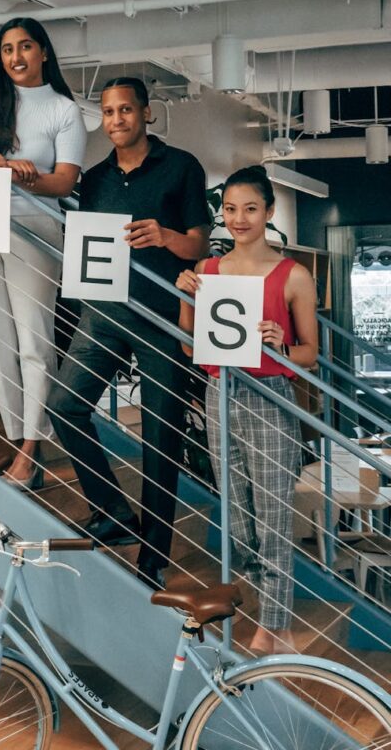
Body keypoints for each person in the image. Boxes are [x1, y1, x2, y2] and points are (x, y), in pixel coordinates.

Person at [47, 77, 210, 590]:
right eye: (110, 112)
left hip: (163, 317)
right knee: (63, 405)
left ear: (146, 114)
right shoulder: (93, 180)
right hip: (103, 313)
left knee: (160, 441)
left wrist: (165, 236)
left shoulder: (181, 167)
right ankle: (113, 510)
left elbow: (200, 245)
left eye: (126, 110)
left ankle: (155, 556)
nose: (117, 120)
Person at [176, 165, 317, 655]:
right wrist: (187, 295)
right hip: (221, 394)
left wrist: (282, 346)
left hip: (270, 397)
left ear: (269, 213)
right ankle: (266, 604)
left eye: (251, 209)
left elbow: (309, 356)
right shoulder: (210, 271)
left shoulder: (293, 275)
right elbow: (193, 341)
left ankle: (274, 624)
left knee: (273, 515)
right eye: (231, 209)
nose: (239, 219)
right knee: (238, 518)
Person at [0, 18, 86, 487]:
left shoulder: (62, 110)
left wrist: (19, 173)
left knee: (34, 340)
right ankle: (16, 439)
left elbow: (66, 181)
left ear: (44, 53)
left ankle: (31, 449)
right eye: (8, 49)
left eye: (26, 47)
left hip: (35, 226)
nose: (16, 56)